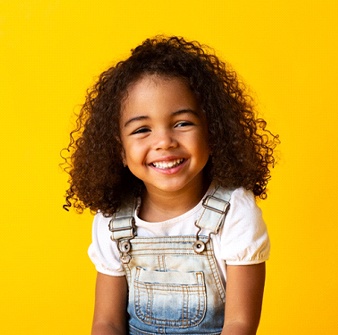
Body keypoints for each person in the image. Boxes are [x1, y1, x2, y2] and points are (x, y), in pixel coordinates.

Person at [63, 35, 279, 335]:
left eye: (182, 123)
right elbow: (107, 322)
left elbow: (240, 324)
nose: (164, 141)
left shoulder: (235, 214)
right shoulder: (114, 220)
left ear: (212, 131)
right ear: (120, 150)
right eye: (142, 129)